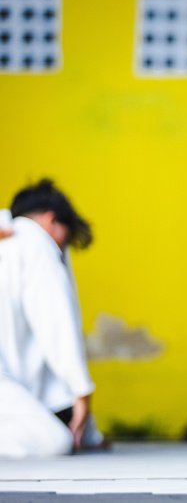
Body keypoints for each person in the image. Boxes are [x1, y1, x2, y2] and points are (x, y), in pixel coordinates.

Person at [0, 179, 106, 458]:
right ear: (50, 220)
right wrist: (82, 391)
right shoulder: (35, 240)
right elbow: (55, 322)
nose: (62, 250)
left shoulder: (7, 237)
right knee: (53, 441)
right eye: (65, 239)